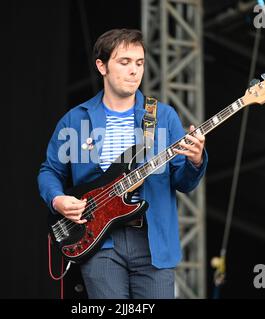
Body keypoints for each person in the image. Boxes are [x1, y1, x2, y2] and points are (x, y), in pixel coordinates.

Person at [38, 28, 207, 299]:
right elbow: (50, 171)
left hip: (154, 242)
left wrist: (195, 160)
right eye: (124, 62)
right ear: (101, 66)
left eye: (139, 63)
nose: (134, 71)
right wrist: (57, 200)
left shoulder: (163, 116)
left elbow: (184, 182)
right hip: (100, 241)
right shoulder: (75, 120)